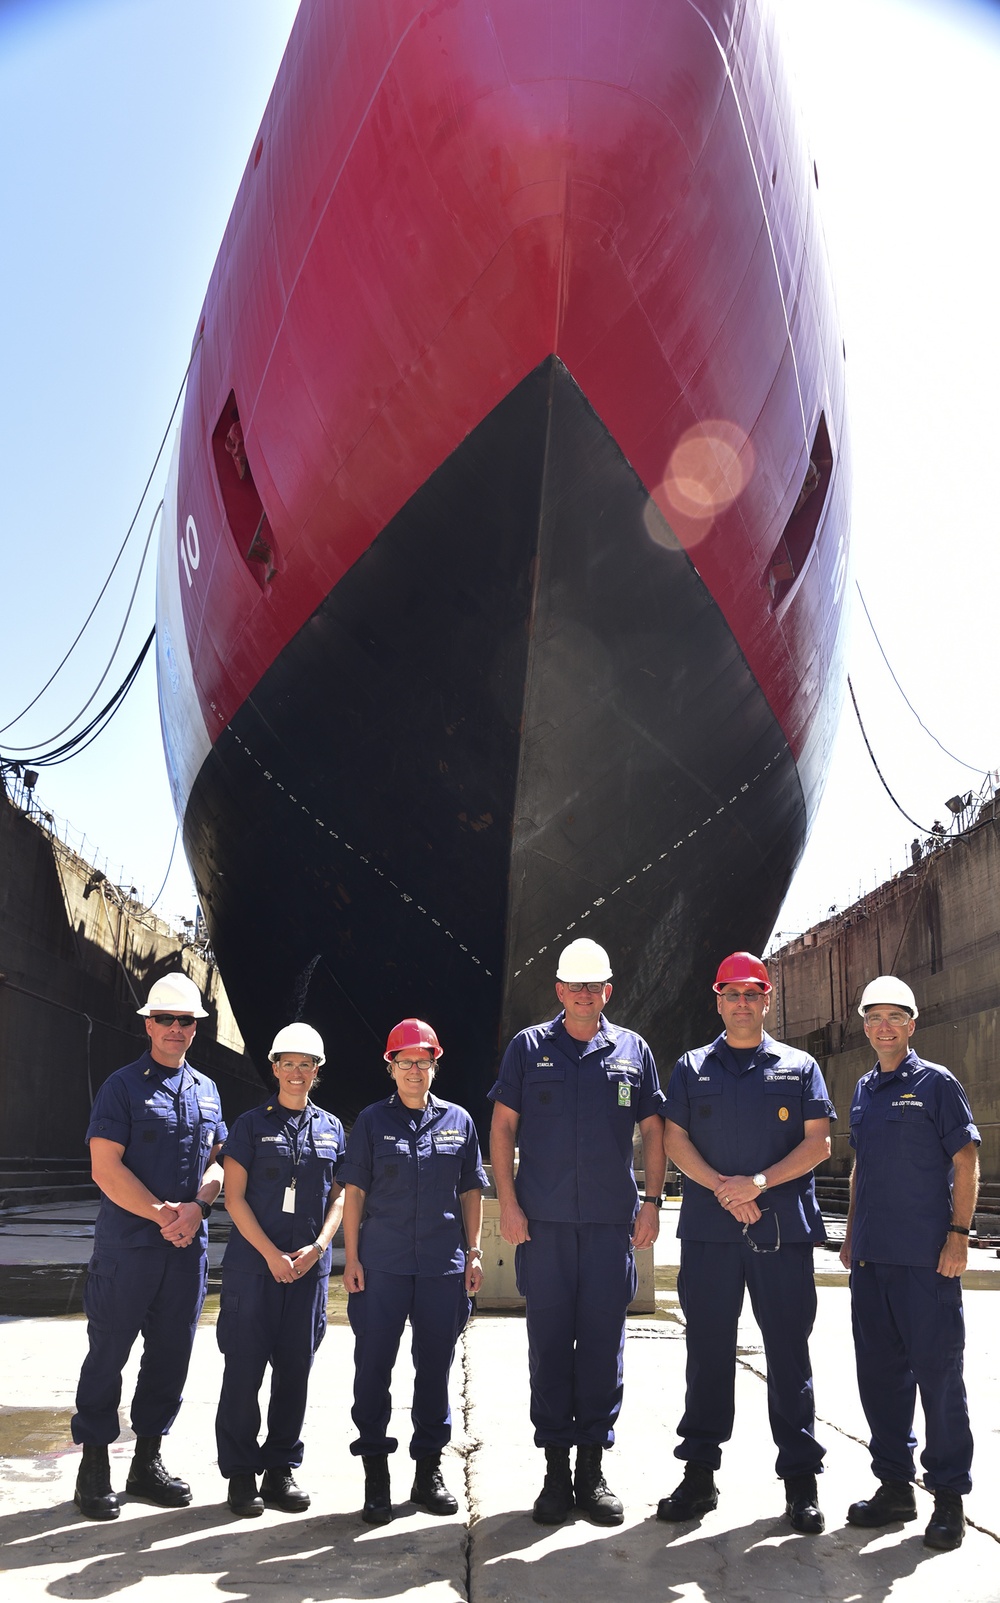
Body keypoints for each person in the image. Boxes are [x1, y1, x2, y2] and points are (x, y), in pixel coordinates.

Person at [489, 938, 666, 1527]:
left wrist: (650, 1202)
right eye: (575, 986)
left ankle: (591, 1470)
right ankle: (555, 1473)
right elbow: (503, 1128)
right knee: (547, 1347)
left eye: (595, 986)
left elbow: (654, 1130)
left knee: (601, 1347)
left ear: (607, 991)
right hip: (543, 1228)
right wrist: (508, 1204)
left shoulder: (632, 1051)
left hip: (610, 1226)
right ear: (559, 991)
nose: (585, 994)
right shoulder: (527, 1048)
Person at [658, 952, 834, 1535]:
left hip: (781, 1231)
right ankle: (700, 1474)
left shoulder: (799, 1065)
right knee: (708, 1351)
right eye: (731, 994)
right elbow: (674, 1139)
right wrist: (721, 1189)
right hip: (711, 1232)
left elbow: (818, 1145)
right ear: (717, 1001)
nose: (741, 1004)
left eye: (751, 994)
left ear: (767, 1000)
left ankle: (801, 1481)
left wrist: (754, 1184)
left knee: (788, 1352)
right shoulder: (690, 1067)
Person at [71, 971, 226, 1520]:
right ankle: (94, 1463)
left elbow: (220, 1165)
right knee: (109, 1352)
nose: (176, 1029)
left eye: (186, 1021)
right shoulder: (122, 1086)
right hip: (129, 1249)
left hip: (186, 1250)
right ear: (148, 1024)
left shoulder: (206, 1090)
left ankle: (147, 1461)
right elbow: (104, 1168)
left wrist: (199, 1207)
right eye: (166, 1019)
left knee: (170, 1357)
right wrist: (163, 1213)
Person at [840, 976, 980, 1552]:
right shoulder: (865, 1089)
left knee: (939, 1378)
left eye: (895, 1016)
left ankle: (948, 1498)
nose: (883, 1027)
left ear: (912, 1024)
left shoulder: (937, 1085)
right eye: (874, 1017)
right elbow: (859, 1169)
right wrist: (850, 1235)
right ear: (866, 1026)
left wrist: (958, 1236)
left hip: (927, 1262)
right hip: (872, 1261)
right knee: (880, 1380)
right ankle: (894, 1488)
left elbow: (968, 1160)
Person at [339, 1018, 487, 1525]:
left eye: (423, 1063)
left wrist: (473, 1253)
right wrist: (352, 1257)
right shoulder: (371, 1123)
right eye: (405, 1063)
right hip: (381, 1265)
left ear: (434, 1065)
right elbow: (353, 1193)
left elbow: (471, 1191)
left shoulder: (460, 1122)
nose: (415, 1071)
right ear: (391, 1067)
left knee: (435, 1370)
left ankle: (428, 1473)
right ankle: (376, 1477)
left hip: (442, 1267)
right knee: (373, 1368)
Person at [215, 1023, 346, 1517]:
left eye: (306, 1064)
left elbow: (341, 1198)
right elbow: (233, 1197)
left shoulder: (332, 1129)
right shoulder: (249, 1126)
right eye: (287, 1063)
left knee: (295, 1374)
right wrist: (271, 1254)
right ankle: (241, 1475)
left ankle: (279, 1470)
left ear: (317, 1071)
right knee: (243, 1372)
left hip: (308, 1271)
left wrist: (318, 1246)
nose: (296, 1072)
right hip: (255, 1270)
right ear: (274, 1068)